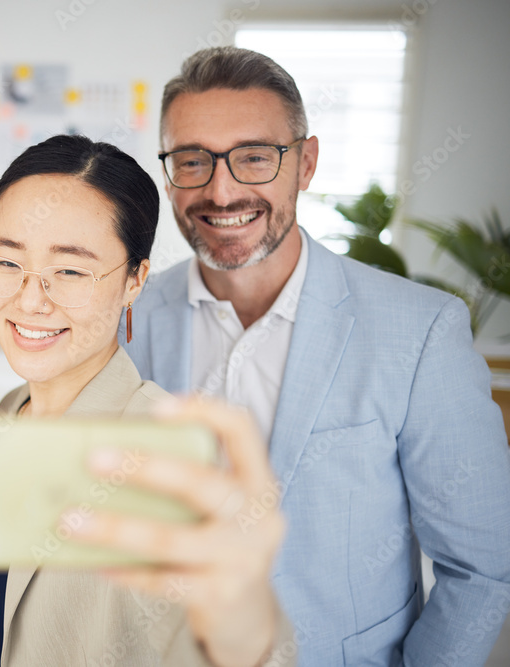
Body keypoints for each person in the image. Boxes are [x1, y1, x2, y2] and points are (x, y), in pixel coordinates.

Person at [122, 46, 510, 665]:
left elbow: (484, 567)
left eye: (254, 157)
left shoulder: (420, 330)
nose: (221, 192)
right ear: (169, 174)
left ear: (305, 164)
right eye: (192, 161)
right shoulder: (128, 322)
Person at [0, 134, 293, 667]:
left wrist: (243, 632)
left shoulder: (169, 462)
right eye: (7, 262)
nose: (30, 299)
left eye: (70, 270)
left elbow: (229, 641)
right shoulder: (6, 415)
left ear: (134, 281)